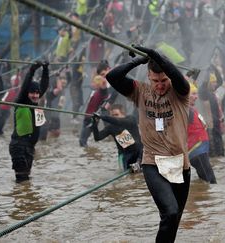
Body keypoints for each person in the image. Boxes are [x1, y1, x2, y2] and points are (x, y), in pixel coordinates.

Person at [106, 45, 190, 242]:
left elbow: (179, 79)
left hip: (180, 163)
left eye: (164, 81)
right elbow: (113, 77)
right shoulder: (140, 91)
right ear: (148, 77)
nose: (160, 85)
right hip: (153, 163)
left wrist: (157, 56)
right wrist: (138, 60)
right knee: (169, 212)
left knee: (174, 218)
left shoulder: (179, 93)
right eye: (155, 81)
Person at [9, 61, 49, 182]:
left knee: (26, 182)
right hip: (19, 146)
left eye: (37, 93)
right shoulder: (21, 101)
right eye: (33, 93)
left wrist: (45, 69)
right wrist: (32, 70)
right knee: (22, 180)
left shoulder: (35, 102)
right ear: (27, 93)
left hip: (30, 147)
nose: (36, 95)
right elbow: (25, 86)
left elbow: (44, 85)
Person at [92, 103, 142, 172]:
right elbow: (97, 138)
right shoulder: (110, 127)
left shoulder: (131, 119)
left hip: (139, 153)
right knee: (127, 176)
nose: (114, 117)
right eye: (112, 115)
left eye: (116, 115)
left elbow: (118, 121)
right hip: (125, 155)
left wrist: (102, 116)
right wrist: (94, 124)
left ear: (123, 114)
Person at [187, 82, 217, 184]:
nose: (196, 97)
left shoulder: (191, 109)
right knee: (211, 182)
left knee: (205, 184)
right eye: (193, 94)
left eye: (196, 94)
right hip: (197, 152)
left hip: (201, 152)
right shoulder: (186, 110)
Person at [79, 61, 110, 147]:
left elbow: (103, 85)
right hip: (92, 115)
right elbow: (94, 85)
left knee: (83, 141)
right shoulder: (100, 88)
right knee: (83, 140)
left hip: (93, 115)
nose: (102, 78)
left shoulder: (106, 85)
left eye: (103, 74)